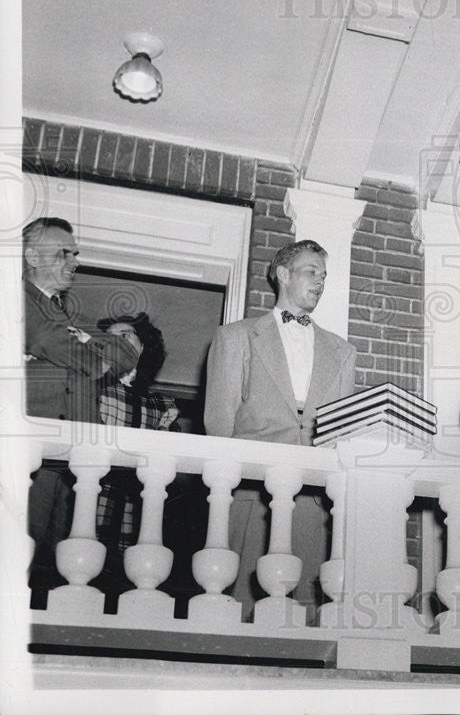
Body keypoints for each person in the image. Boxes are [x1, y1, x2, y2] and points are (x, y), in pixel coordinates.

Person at [204, 239, 357, 621]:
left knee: (303, 611)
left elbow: (341, 433)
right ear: (283, 275)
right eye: (311, 272)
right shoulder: (235, 337)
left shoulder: (342, 351)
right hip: (250, 493)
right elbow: (219, 426)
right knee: (237, 607)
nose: (320, 282)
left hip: (313, 501)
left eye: (324, 275)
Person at [22, 217, 139, 604]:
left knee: (57, 564)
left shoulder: (66, 313)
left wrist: (82, 342)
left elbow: (124, 355)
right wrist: (90, 350)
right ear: (30, 255)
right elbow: (44, 338)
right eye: (64, 252)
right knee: (18, 552)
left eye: (75, 253)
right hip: (29, 453)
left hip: (70, 459)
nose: (74, 261)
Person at [92, 313, 182, 608]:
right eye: (110, 338)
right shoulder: (91, 389)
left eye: (126, 335)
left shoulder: (161, 404)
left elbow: (170, 460)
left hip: (138, 505)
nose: (116, 342)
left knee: (132, 584)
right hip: (94, 497)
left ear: (142, 347)